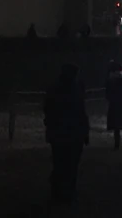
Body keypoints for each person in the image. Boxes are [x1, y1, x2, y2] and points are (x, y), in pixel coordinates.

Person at [44, 64, 89, 204]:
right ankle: (66, 192)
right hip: (70, 133)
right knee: (69, 165)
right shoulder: (74, 90)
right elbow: (81, 112)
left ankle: (61, 192)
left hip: (62, 133)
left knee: (62, 163)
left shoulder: (56, 89)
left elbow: (48, 110)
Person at [105, 62, 122, 150]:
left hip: (114, 104)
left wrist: (111, 98)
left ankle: (117, 144)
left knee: (116, 126)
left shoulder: (110, 81)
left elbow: (107, 94)